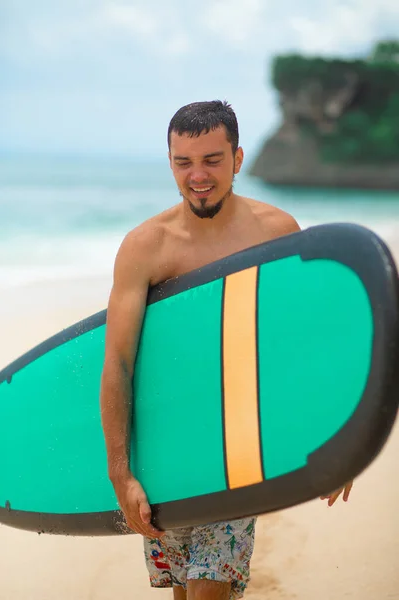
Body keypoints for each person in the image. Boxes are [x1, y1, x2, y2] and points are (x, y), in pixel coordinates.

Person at [100, 100, 353, 600]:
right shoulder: (146, 246)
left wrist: (339, 439)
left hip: (237, 444)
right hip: (165, 448)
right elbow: (119, 362)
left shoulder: (275, 233)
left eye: (212, 160)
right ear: (169, 162)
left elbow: (300, 346)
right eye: (183, 162)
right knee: (183, 589)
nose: (198, 175)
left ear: (237, 159)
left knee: (208, 591)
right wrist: (121, 471)